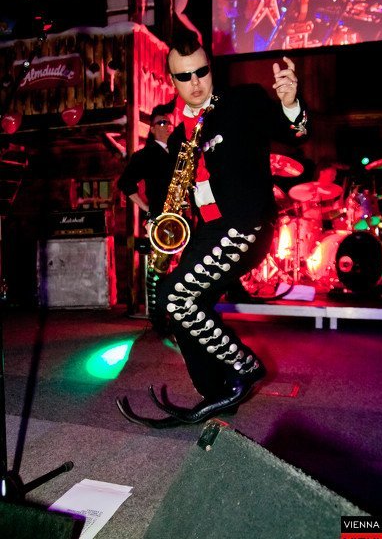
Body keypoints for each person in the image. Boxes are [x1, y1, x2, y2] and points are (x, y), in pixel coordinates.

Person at [118, 30, 309, 428]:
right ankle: (217, 392)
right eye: (184, 76)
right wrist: (162, 216)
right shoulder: (178, 135)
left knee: (175, 296)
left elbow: (294, 132)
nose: (195, 82)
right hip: (206, 230)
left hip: (244, 223)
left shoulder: (242, 102)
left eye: (201, 72)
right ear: (171, 80)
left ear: (211, 68)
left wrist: (291, 104)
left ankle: (244, 366)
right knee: (179, 308)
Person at [117, 103, 181, 219]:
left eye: (169, 123)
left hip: (182, 214)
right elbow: (125, 183)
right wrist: (148, 209)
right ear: (152, 129)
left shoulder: (177, 151)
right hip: (161, 216)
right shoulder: (144, 155)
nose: (167, 126)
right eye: (162, 123)